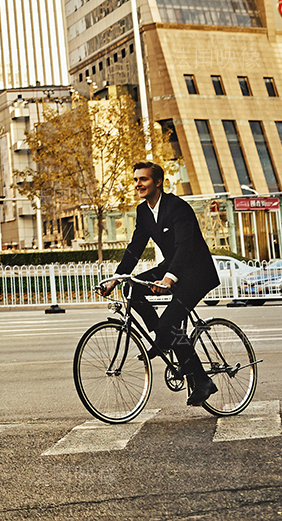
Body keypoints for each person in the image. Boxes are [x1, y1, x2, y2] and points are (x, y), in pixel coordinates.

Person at [99, 160, 219, 409]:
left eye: (143, 179)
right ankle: (162, 337)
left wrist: (169, 278)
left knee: (169, 323)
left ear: (157, 182)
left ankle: (203, 380)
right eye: (135, 180)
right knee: (131, 288)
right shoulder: (143, 211)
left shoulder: (178, 207)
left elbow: (185, 247)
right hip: (173, 266)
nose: (137, 184)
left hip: (197, 271)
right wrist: (116, 278)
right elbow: (135, 249)